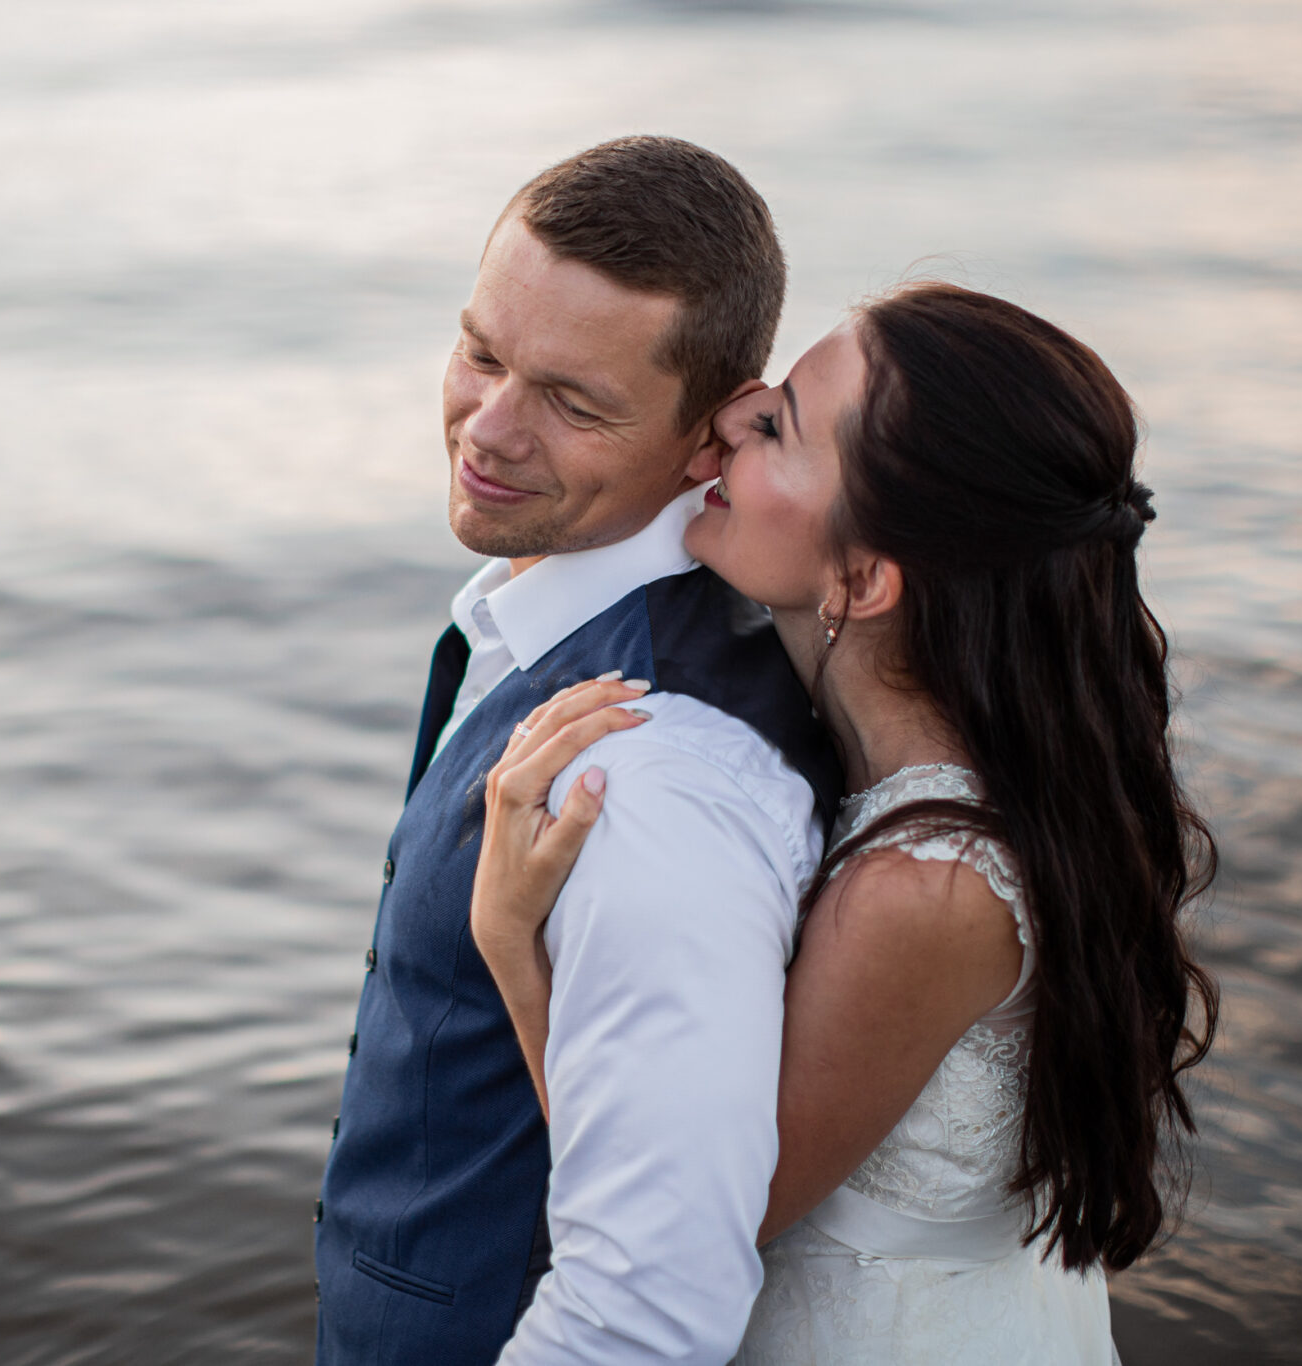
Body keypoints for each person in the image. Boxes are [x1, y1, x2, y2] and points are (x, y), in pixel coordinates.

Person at [472, 282, 1220, 1363]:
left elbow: (701, 1217)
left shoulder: (923, 889)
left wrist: (509, 946)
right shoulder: (989, 782)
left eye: (775, 425)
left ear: (861, 579)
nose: (730, 415)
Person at [314, 137, 844, 1365]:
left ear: (707, 438)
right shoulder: (530, 612)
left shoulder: (657, 773)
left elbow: (647, 1308)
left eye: (570, 401)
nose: (486, 429)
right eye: (481, 352)